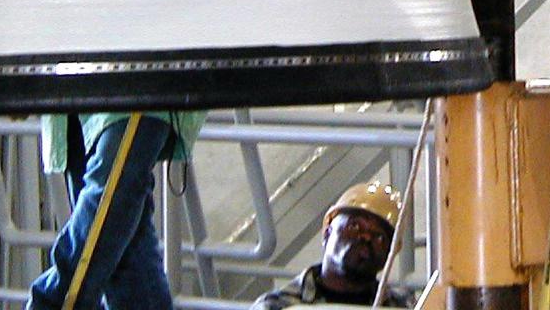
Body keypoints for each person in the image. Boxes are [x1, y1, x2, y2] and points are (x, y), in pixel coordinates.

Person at [27, 110, 208, 310]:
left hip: (135, 99)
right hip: (73, 103)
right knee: (129, 260)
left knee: (109, 210)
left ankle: (47, 304)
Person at [251, 181, 409, 308]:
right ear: (327, 232)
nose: (366, 237)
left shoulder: (403, 307)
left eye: (380, 237)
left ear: (390, 253)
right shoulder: (277, 306)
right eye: (354, 226)